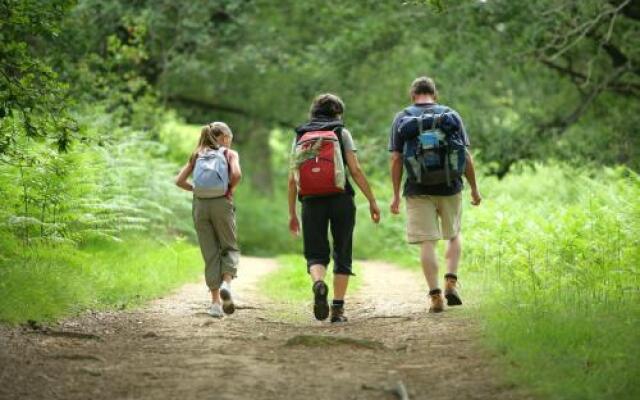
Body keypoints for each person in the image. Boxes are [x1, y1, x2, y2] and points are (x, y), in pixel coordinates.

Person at [389, 77, 481, 313]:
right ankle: (450, 281)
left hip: (418, 189)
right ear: (434, 95)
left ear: (413, 96)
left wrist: (396, 195)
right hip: (451, 186)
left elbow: (397, 158)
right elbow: (465, 155)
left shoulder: (403, 117)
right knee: (453, 235)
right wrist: (474, 188)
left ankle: (435, 297)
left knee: (427, 242)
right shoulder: (450, 115)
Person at [288, 94, 381, 323]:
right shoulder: (341, 133)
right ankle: (337, 309)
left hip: (310, 200)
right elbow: (356, 170)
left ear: (314, 111)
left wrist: (292, 213)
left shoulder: (301, 135)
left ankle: (319, 283)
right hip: (341, 199)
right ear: (338, 113)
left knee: (315, 253)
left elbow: (292, 178)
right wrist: (371, 200)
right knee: (342, 250)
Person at [175, 122, 242, 318]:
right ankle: (226, 284)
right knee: (229, 247)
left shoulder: (197, 154)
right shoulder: (229, 153)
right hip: (222, 203)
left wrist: (196, 189)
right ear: (225, 138)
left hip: (201, 206)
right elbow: (237, 174)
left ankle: (215, 304)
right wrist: (229, 189)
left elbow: (179, 181)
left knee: (210, 252)